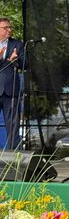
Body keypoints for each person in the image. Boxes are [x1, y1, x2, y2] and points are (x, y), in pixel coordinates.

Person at [0, 18, 27, 149]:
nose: (9, 30)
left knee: (13, 127)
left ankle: (13, 156)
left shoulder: (17, 44)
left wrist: (16, 61)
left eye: (10, 27)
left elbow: (26, 64)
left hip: (11, 91)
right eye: (5, 28)